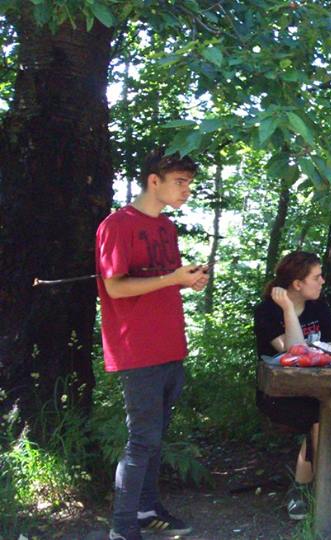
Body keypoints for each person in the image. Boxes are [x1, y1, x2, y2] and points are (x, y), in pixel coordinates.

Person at [97, 149, 209, 540]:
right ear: (153, 180)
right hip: (136, 348)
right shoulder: (117, 225)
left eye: (189, 182)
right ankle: (122, 526)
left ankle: (145, 510)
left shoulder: (166, 228)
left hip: (169, 345)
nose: (187, 190)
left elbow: (162, 282)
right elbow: (114, 287)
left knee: (155, 438)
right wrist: (172, 279)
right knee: (142, 439)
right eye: (180, 182)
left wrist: (188, 280)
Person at [253, 251, 331, 520]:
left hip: (319, 388)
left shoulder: (319, 307)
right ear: (297, 284)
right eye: (316, 277)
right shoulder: (267, 311)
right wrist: (287, 309)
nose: (322, 281)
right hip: (281, 393)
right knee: (319, 420)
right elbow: (293, 352)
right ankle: (303, 490)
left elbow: (326, 350)